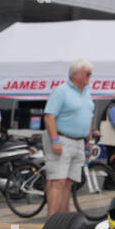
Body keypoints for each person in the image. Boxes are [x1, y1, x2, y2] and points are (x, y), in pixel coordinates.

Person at [42, 59, 93, 216]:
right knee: (57, 180)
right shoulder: (61, 91)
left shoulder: (86, 93)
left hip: (78, 141)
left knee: (68, 182)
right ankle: (52, 220)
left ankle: (63, 220)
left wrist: (89, 141)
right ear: (76, 74)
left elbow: (88, 118)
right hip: (62, 139)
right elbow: (49, 116)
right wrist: (55, 140)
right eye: (87, 74)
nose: (90, 77)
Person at [96, 91, 115, 167]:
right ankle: (110, 177)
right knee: (113, 160)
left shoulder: (112, 106)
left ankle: (110, 177)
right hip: (113, 139)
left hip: (113, 139)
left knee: (113, 160)